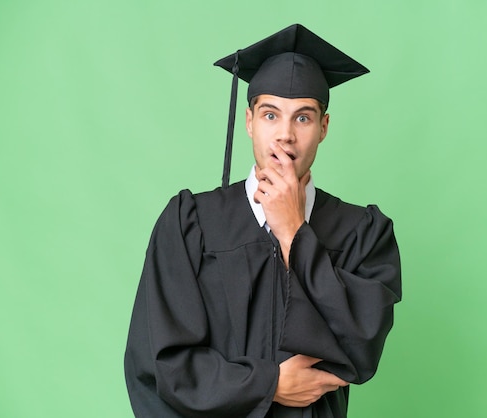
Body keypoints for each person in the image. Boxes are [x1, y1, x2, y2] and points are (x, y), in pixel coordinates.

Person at [124, 24, 402, 418]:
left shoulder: (362, 233)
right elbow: (160, 365)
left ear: (323, 127)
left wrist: (293, 232)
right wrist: (269, 384)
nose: (285, 136)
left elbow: (360, 350)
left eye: (303, 118)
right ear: (250, 121)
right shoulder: (191, 224)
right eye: (271, 115)